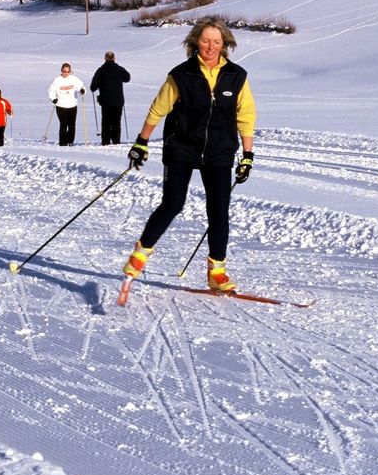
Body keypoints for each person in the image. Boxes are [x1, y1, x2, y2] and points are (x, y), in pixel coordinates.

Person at [121, 17, 256, 292]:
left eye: (216, 41)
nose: (210, 46)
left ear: (225, 44)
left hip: (219, 151)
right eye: (205, 40)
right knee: (173, 203)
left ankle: (216, 272)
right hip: (182, 147)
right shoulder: (181, 75)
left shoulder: (237, 76)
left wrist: (247, 155)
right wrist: (141, 143)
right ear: (195, 42)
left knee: (219, 211)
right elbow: (158, 109)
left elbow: (246, 116)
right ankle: (140, 254)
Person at [90, 51, 131, 145]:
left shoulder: (101, 70)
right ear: (114, 58)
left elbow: (93, 87)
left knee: (106, 122)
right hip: (118, 101)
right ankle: (116, 142)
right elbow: (127, 78)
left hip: (106, 101)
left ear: (105, 58)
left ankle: (105, 142)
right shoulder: (119, 69)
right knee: (117, 122)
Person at [47, 62, 86, 146]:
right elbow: (51, 91)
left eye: (68, 72)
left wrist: (82, 90)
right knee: (63, 124)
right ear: (61, 71)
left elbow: (81, 86)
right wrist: (53, 98)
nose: (66, 73)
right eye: (64, 71)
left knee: (72, 124)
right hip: (61, 105)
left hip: (72, 105)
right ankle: (63, 143)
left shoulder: (74, 79)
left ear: (70, 71)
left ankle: (70, 141)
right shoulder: (57, 80)